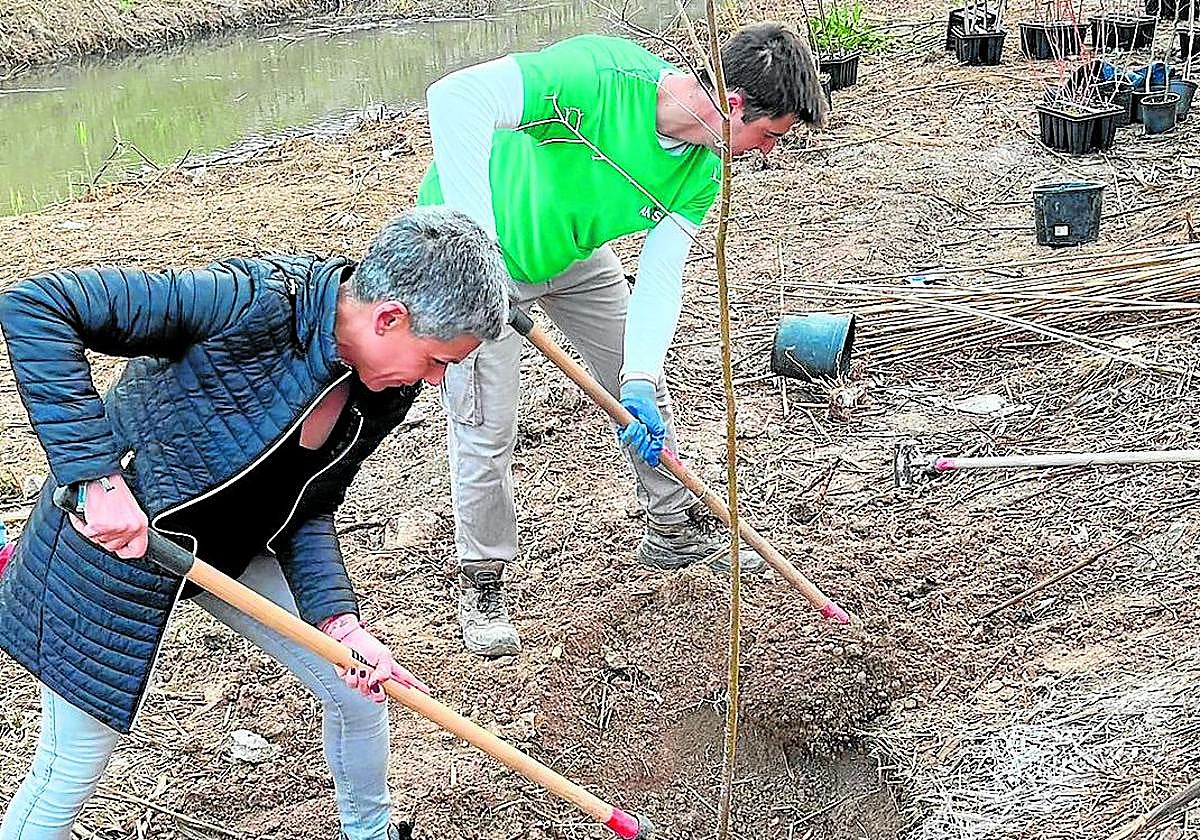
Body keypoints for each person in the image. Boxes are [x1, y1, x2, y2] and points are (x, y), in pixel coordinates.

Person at [0, 208, 511, 840]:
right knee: (73, 761)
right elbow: (37, 306)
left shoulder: (382, 386)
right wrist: (97, 480)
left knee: (357, 690)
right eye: (437, 360)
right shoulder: (248, 302)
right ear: (389, 319)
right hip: (105, 543)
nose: (434, 380)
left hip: (232, 547)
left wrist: (338, 621)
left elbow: (310, 501)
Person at [419, 22, 827, 656]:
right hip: (476, 259)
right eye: (770, 137)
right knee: (487, 425)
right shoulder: (596, 78)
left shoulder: (700, 170)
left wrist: (637, 377)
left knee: (642, 389)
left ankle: (672, 527)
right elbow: (453, 98)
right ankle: (484, 583)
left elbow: (662, 275)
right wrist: (476, 246)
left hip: (576, 256)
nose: (768, 153)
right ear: (736, 104)